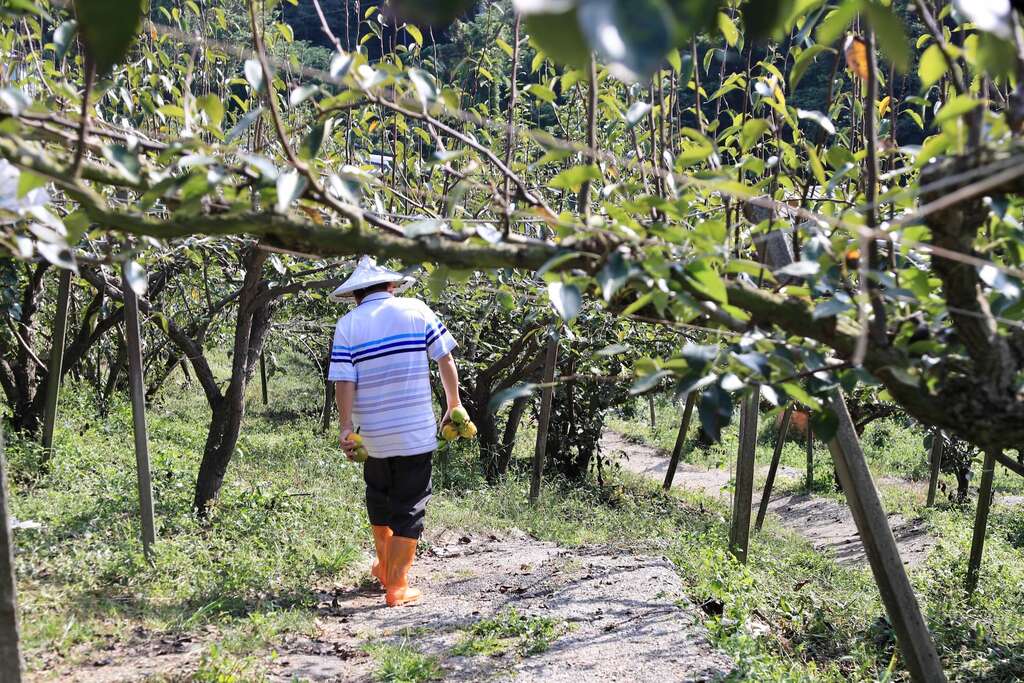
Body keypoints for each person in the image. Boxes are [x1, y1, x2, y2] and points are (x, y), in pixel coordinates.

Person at [328, 256, 462, 607]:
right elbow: (445, 359)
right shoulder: (416, 310)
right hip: (414, 431)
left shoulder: (348, 325)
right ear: (391, 286)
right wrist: (453, 405)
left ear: (356, 295)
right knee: (410, 502)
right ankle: (397, 585)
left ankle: (385, 567)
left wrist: (346, 426)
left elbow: (344, 379)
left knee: (380, 496)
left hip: (371, 434)